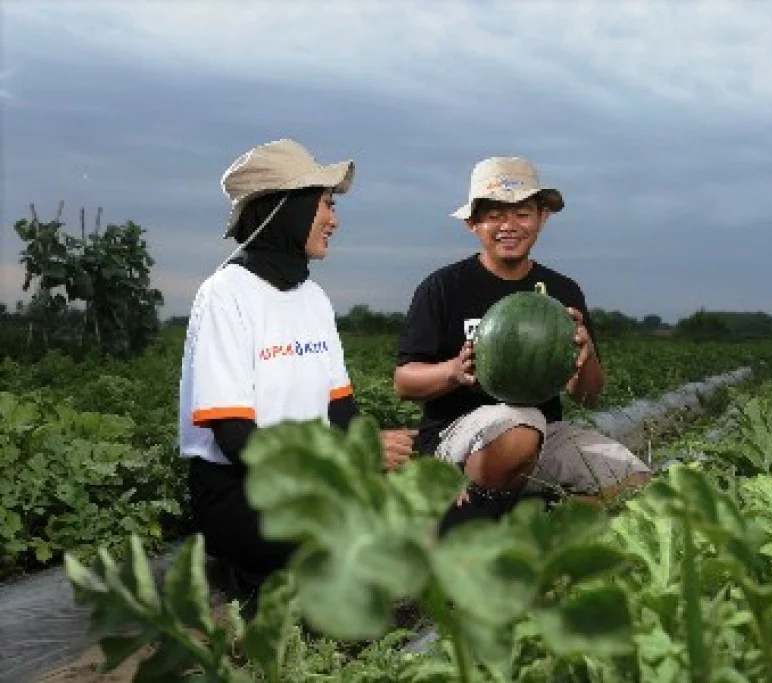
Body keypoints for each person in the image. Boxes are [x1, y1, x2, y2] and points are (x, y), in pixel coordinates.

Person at [178, 138, 416, 591]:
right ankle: (243, 571)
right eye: (325, 205)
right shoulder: (224, 296)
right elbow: (237, 441)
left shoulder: (314, 300)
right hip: (240, 490)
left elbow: (342, 414)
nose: (334, 220)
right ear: (285, 209)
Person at [393, 156, 650, 534]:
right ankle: (464, 524)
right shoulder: (443, 288)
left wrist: (586, 357)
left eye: (522, 214)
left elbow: (589, 397)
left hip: (545, 436)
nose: (509, 226)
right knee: (521, 423)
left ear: (542, 218)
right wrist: (454, 370)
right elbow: (404, 382)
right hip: (458, 436)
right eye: (495, 215)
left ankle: (530, 524)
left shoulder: (563, 291)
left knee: (639, 487)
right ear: (473, 223)